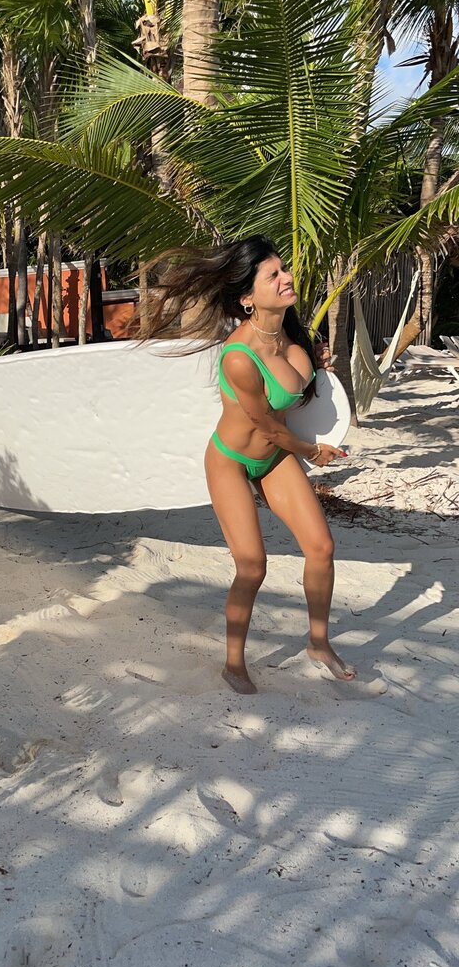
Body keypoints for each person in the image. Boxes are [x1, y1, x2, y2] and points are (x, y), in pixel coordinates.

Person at [135, 234, 356, 695]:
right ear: (247, 298)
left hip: (274, 456)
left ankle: (319, 644)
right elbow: (269, 427)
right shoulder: (239, 356)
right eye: (272, 275)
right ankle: (233, 663)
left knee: (321, 547)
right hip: (232, 461)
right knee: (253, 566)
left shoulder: (291, 336)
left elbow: (296, 401)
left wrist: (318, 369)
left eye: (283, 268)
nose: (286, 277)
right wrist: (313, 453)